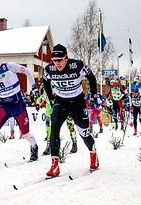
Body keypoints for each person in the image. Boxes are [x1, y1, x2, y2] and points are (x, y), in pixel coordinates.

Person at [40, 44, 99, 177]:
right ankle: (54, 164)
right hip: (61, 102)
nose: (57, 63)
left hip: (77, 102)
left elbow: (91, 77)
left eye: (60, 60)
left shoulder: (77, 65)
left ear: (66, 58)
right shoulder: (49, 69)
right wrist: (51, 99)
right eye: (54, 60)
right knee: (54, 130)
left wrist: (94, 95)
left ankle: (93, 153)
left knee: (84, 133)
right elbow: (45, 83)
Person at [0, 55, 38, 169]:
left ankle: (34, 146)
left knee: (25, 133)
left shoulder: (10, 66)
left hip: (17, 104)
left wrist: (34, 87)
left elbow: (28, 71)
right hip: (4, 105)